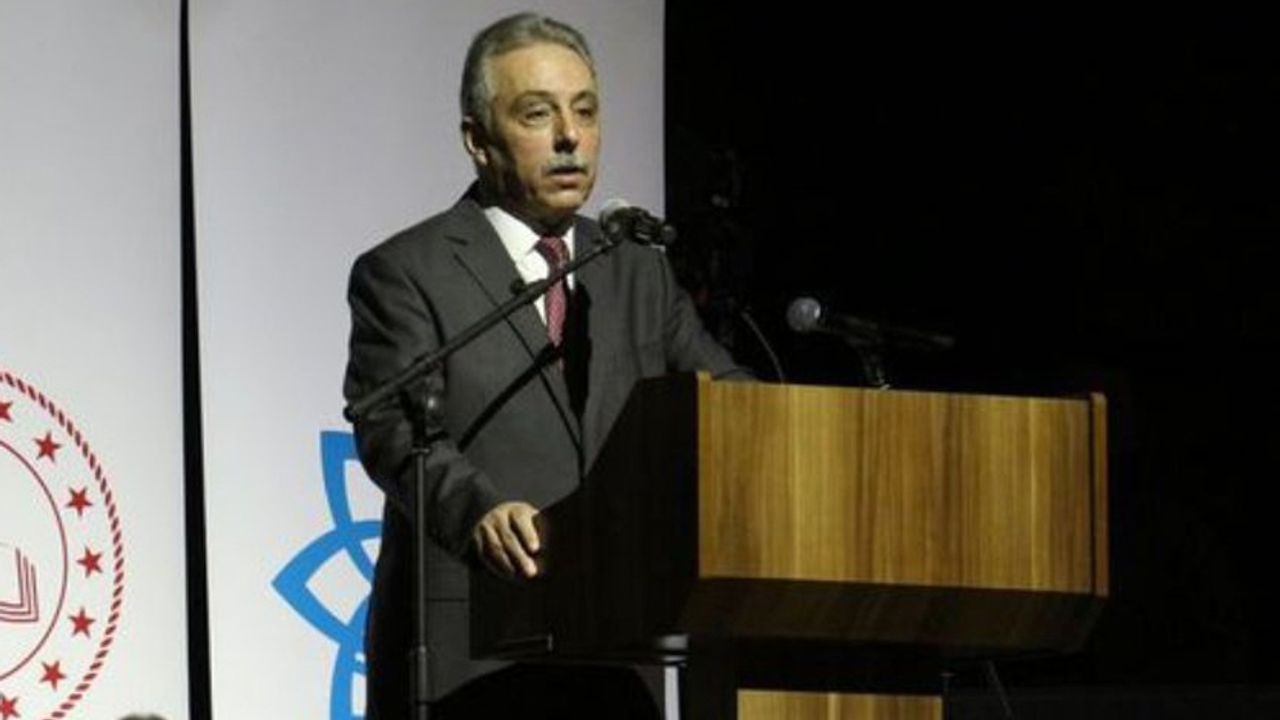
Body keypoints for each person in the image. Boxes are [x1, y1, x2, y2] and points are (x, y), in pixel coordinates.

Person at [343, 12, 746, 719]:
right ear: (478, 140)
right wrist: (479, 511)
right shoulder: (405, 271)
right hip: (474, 648)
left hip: (619, 648)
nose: (569, 136)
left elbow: (729, 403)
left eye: (585, 112)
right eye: (538, 113)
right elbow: (394, 430)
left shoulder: (635, 268)